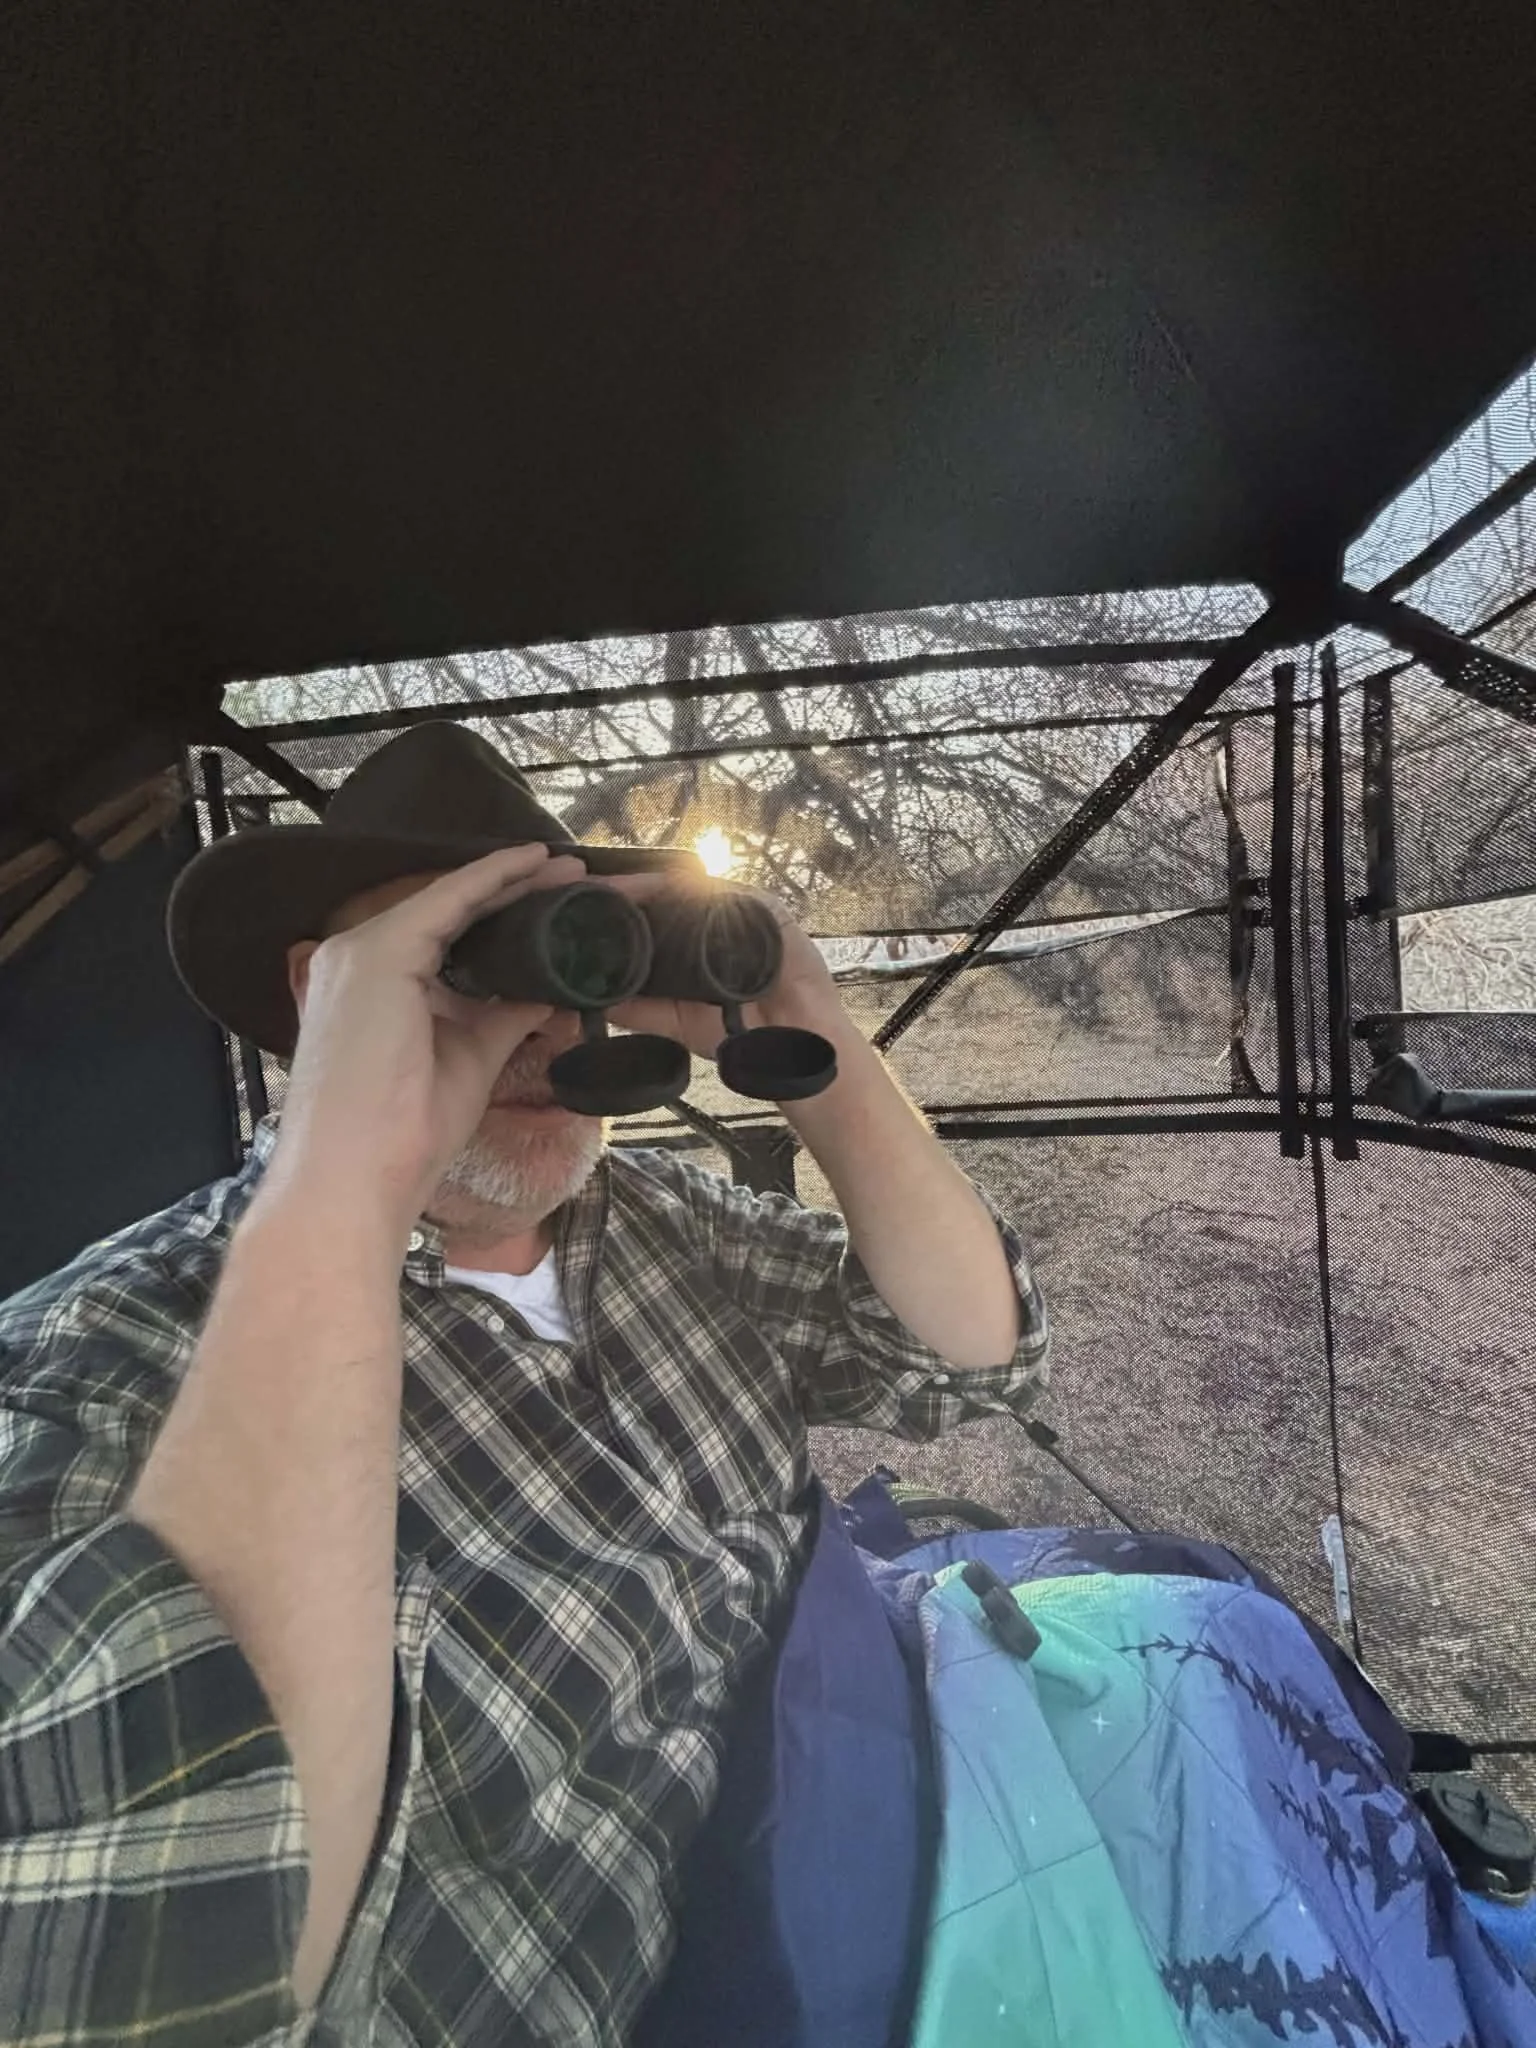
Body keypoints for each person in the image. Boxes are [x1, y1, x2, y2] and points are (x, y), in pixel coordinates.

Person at [0, 724, 1049, 2048]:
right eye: (463, 971)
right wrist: (351, 1166)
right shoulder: (101, 1356)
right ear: (321, 996)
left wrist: (813, 1037)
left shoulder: (662, 1221)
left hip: (867, 1838)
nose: (545, 1027)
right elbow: (132, 1972)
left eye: (577, 956)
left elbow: (970, 1359)